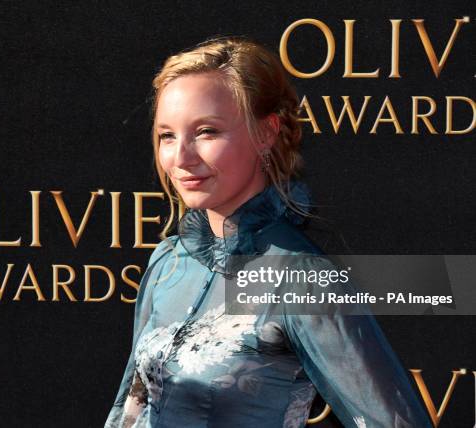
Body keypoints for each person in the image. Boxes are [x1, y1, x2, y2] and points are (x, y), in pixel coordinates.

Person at [105, 37, 432, 428]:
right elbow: (129, 409)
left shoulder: (301, 278)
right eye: (167, 136)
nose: (181, 158)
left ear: (267, 132)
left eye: (207, 131)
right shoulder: (168, 263)